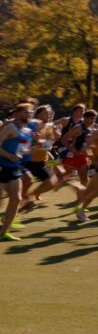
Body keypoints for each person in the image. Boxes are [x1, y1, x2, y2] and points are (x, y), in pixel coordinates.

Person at [0, 103, 34, 241]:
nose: (29, 114)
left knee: (17, 199)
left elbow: (22, 150)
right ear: (18, 113)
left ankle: (4, 232)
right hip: (1, 165)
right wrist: (9, 156)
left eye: (30, 112)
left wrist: (34, 149)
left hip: (14, 167)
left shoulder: (27, 131)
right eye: (26, 112)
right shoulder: (10, 127)